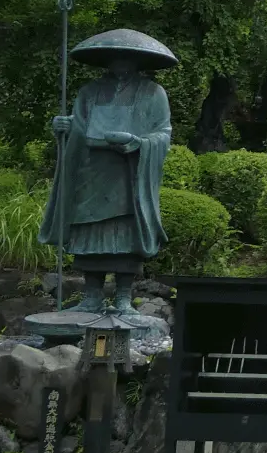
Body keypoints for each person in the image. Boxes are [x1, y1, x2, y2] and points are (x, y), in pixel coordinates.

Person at [37, 30, 176, 312]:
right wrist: (64, 128)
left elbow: (163, 134)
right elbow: (78, 128)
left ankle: (124, 297)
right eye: (115, 57)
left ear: (138, 61)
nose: (121, 63)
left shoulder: (153, 93)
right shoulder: (89, 91)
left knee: (127, 233)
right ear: (106, 60)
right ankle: (91, 296)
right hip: (93, 172)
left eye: (127, 57)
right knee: (90, 232)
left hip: (129, 175)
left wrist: (139, 144)